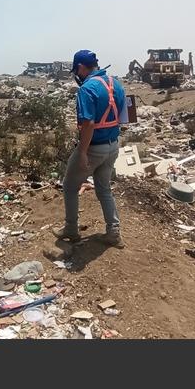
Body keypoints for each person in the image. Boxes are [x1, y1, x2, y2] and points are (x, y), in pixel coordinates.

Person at [54, 49, 126, 248]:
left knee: (70, 185)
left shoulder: (87, 89)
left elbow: (88, 124)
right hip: (113, 146)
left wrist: (82, 153)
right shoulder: (115, 83)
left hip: (94, 147)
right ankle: (113, 232)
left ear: (80, 68)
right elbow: (124, 116)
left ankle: (71, 229)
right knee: (104, 188)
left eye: (76, 71)